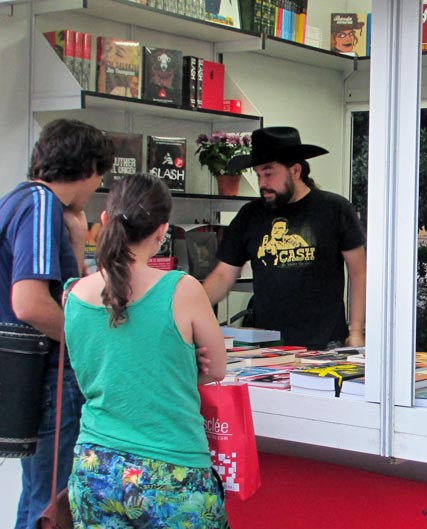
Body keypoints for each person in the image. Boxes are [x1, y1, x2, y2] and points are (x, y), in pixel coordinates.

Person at [64, 173, 228, 526]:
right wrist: (183, 363)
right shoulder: (182, 289)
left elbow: (96, 369)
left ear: (105, 220)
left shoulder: (74, 295)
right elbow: (217, 368)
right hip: (172, 470)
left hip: (95, 466)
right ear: (162, 230)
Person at [0, 119, 112, 529]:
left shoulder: (17, 200)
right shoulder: (41, 205)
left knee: (37, 497)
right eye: (99, 175)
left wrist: (78, 239)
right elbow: (30, 303)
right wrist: (92, 342)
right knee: (53, 504)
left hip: (26, 377)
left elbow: (65, 291)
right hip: (50, 374)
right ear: (87, 170)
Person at [204, 126, 367, 350]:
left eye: (269, 174)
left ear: (296, 171)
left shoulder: (334, 209)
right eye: (259, 175)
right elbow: (223, 275)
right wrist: (188, 309)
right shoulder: (250, 215)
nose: (262, 184)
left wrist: (356, 331)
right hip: (268, 348)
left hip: (326, 345)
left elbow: (359, 271)